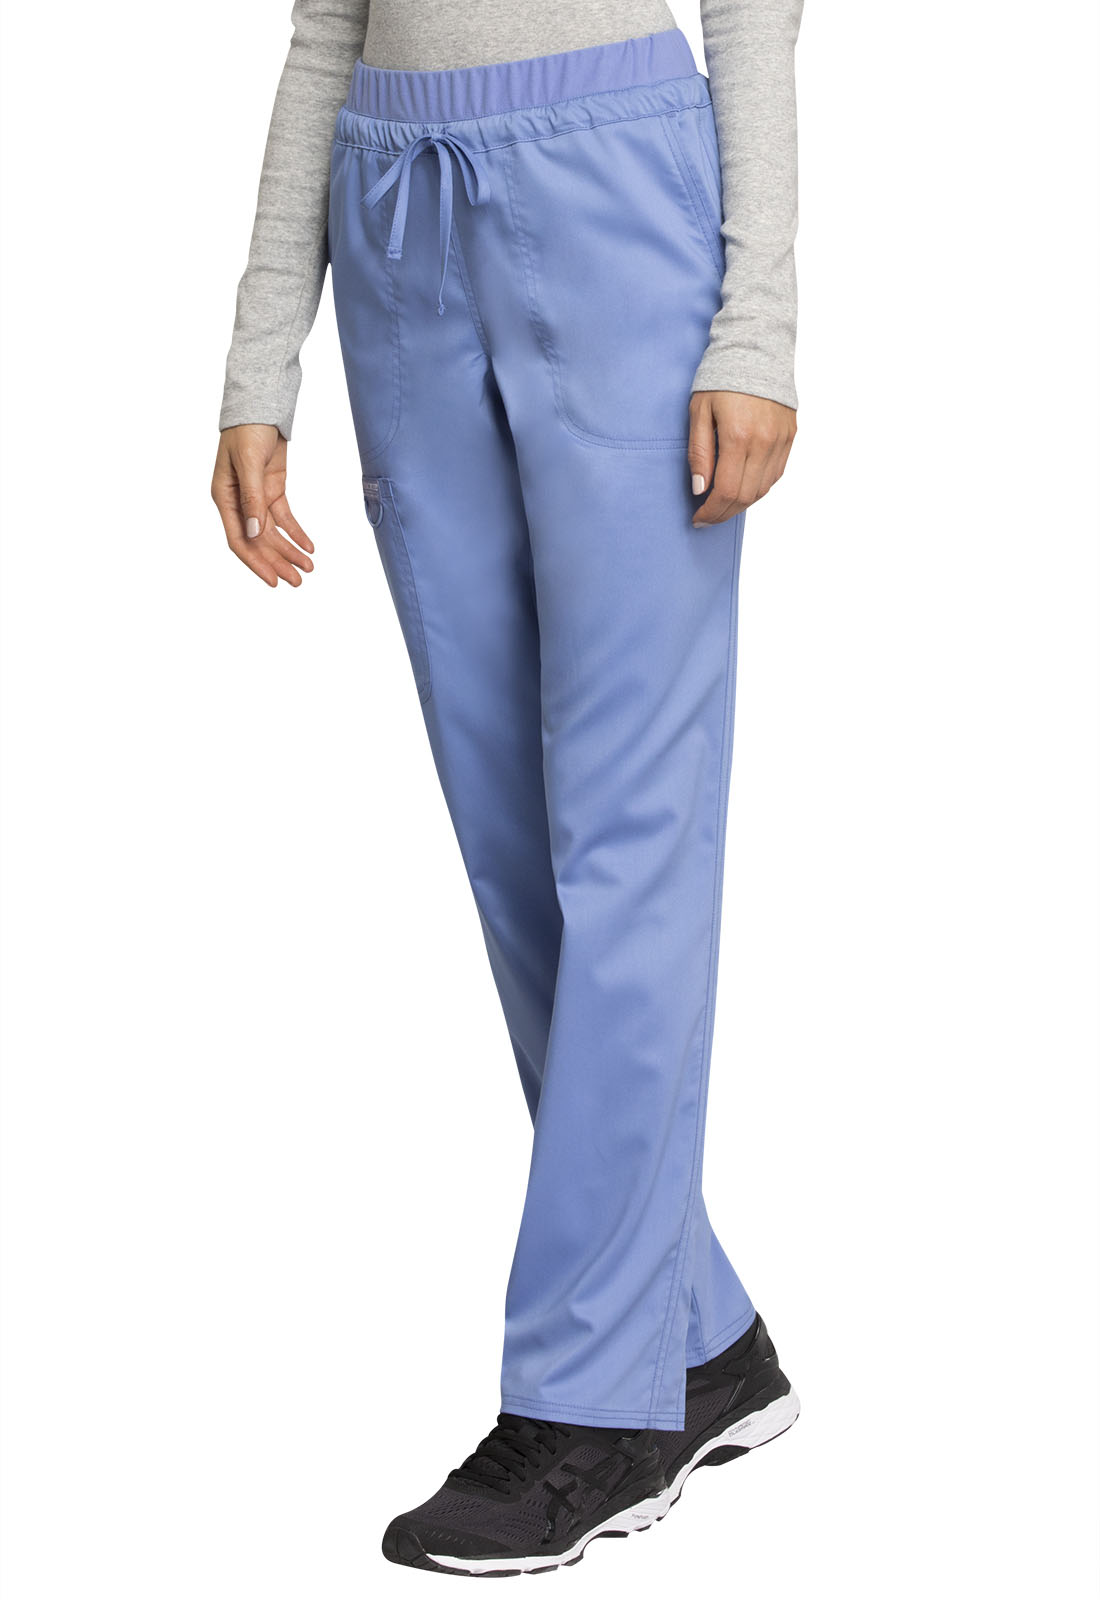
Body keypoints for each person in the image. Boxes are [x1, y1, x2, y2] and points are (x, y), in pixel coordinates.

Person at [211, 0, 803, 1577]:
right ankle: (700, 1338)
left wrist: (756, 324)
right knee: (513, 845)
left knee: (629, 830)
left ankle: (593, 1403)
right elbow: (324, 28)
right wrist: (261, 358)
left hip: (617, 192)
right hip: (392, 211)